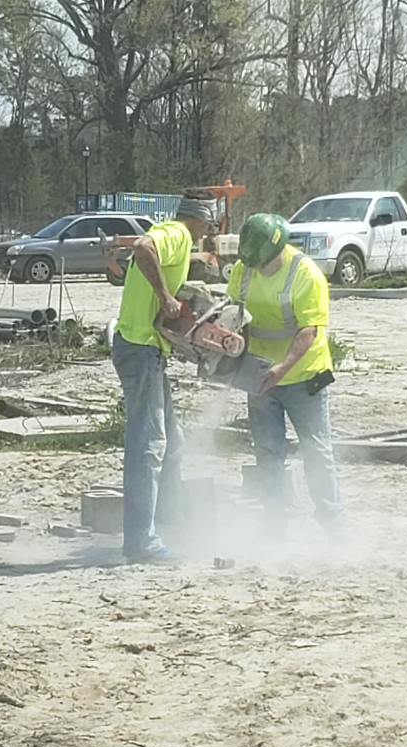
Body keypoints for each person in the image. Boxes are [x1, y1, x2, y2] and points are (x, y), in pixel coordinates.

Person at [112, 189, 218, 565]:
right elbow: (142, 248)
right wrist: (164, 297)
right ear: (202, 222)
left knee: (172, 442)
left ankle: (169, 522)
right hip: (140, 349)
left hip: (146, 348)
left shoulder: (173, 236)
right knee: (149, 445)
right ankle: (140, 542)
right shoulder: (175, 235)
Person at [227, 212, 342, 536]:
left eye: (262, 262)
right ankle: (275, 524)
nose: (258, 269)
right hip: (259, 375)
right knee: (267, 452)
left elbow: (308, 331)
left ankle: (333, 524)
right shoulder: (243, 269)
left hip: (304, 377)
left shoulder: (305, 274)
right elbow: (232, 315)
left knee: (316, 451)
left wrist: (282, 368)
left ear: (277, 250)